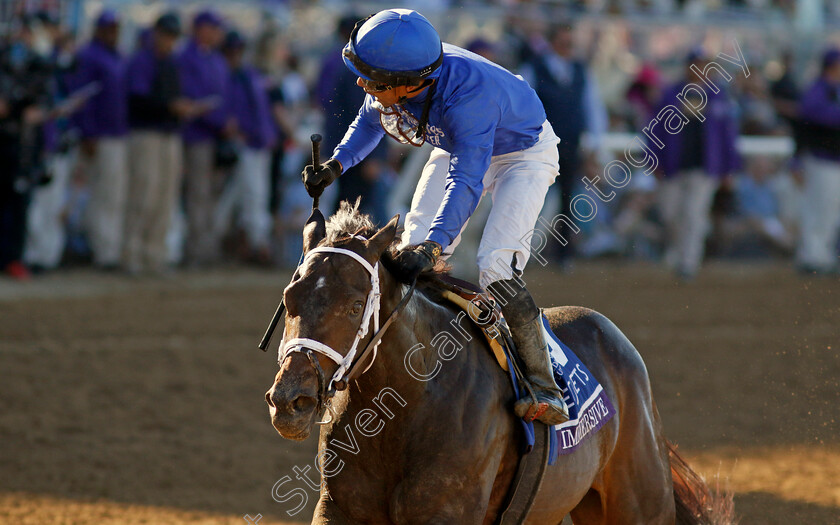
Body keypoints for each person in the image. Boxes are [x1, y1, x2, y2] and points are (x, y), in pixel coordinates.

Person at [301, 9, 568, 425]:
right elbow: (369, 119)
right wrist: (336, 165)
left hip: (522, 155)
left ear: (410, 83)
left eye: (372, 81)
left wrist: (436, 244)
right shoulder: (402, 72)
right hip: (462, 146)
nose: (362, 84)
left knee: (495, 266)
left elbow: (466, 179)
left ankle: (544, 383)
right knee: (409, 250)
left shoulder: (469, 102)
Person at [519, 21, 608, 267]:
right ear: (553, 42)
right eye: (563, 40)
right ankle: (520, 252)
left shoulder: (580, 70)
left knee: (567, 201)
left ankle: (563, 255)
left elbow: (593, 108)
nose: (569, 45)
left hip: (570, 145)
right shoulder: (534, 68)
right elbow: (522, 106)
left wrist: (594, 144)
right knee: (531, 199)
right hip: (539, 147)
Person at [123, 13, 200, 275]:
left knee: (165, 198)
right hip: (146, 134)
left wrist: (181, 107)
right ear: (156, 33)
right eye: (167, 34)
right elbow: (137, 99)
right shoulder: (143, 60)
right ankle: (132, 255)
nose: (169, 40)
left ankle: (154, 256)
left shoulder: (171, 63)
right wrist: (170, 106)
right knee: (143, 195)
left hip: (169, 134)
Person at [655, 50, 740, 280]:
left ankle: (688, 263)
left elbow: (727, 135)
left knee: (694, 214)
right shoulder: (671, 93)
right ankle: (679, 252)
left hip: (705, 166)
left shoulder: (719, 96)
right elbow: (655, 129)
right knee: (670, 214)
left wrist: (729, 168)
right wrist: (654, 159)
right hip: (674, 166)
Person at [72, 9, 129, 270]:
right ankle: (102, 251)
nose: (113, 32)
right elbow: (83, 98)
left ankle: (108, 249)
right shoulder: (89, 56)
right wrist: (88, 131)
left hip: (117, 134)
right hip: (100, 135)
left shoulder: (116, 56)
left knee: (113, 195)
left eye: (116, 28)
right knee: (101, 194)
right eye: (109, 28)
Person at [215, 30, 277, 262]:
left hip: (257, 145)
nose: (236, 55)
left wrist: (269, 135)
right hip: (239, 146)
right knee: (248, 196)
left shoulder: (249, 75)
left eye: (238, 50)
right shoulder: (224, 77)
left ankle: (252, 245)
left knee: (246, 197)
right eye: (231, 51)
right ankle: (256, 244)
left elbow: (262, 112)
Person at [177, 9, 231, 266]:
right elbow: (193, 100)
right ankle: (196, 252)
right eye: (213, 27)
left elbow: (223, 98)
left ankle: (207, 248)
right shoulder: (187, 57)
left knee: (212, 195)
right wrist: (221, 122)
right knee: (197, 195)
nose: (217, 32)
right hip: (196, 136)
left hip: (215, 138)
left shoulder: (214, 58)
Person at [796, 48, 840, 275]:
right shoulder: (818, 88)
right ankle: (812, 257)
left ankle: (824, 255)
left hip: (834, 159)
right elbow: (810, 112)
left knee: (832, 211)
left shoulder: (833, 89)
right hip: (821, 158)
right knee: (819, 208)